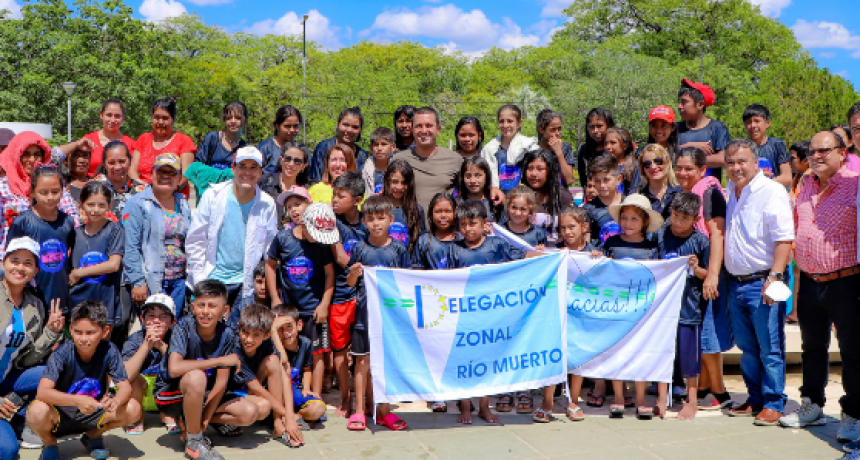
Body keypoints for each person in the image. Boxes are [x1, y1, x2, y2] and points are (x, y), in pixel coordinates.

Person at [785, 131, 860, 441]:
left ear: (842, 153)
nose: (816, 156)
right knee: (812, 347)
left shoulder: (855, 185)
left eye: (824, 151)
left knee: (853, 352)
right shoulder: (803, 186)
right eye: (812, 151)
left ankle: (853, 414)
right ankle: (812, 403)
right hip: (811, 282)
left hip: (846, 282)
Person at [722, 139, 794, 426]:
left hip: (765, 280)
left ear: (755, 162)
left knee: (770, 346)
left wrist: (774, 277)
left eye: (742, 161)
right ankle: (755, 399)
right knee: (748, 348)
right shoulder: (731, 191)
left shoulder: (772, 191)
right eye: (731, 162)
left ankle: (774, 401)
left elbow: (784, 238)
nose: (736, 167)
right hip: (736, 283)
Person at [154, 280, 259, 458]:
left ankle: (194, 424)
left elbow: (221, 384)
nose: (205, 311)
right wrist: (219, 361)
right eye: (201, 305)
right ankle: (194, 442)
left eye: (212, 306)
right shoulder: (183, 327)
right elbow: (174, 368)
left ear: (225, 311)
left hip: (205, 395)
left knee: (254, 411)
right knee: (196, 377)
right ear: (193, 307)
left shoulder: (227, 334)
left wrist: (204, 421)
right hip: (172, 395)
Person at [27, 301, 139, 460]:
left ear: (105, 331)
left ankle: (93, 435)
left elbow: (125, 387)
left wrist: (116, 401)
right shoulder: (62, 352)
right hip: (61, 415)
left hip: (94, 411)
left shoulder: (110, 350)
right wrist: (77, 401)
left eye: (90, 332)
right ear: (71, 330)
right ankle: (49, 443)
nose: (83, 338)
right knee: (36, 411)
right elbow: (43, 392)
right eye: (78, 332)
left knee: (133, 408)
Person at [447, 199, 522, 424]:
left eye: (473, 223)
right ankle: (465, 407)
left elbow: (521, 262)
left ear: (484, 224)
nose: (468, 228)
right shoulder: (454, 249)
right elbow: (446, 281)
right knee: (466, 362)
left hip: (491, 315)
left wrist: (546, 254)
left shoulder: (496, 245)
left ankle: (483, 406)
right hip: (465, 316)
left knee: (487, 361)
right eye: (463, 224)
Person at [345, 195, 413, 431]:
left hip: (390, 320)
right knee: (362, 362)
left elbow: (407, 282)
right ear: (364, 221)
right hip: (364, 317)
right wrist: (354, 273)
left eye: (381, 218)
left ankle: (384, 411)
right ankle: (359, 410)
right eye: (371, 219)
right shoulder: (360, 249)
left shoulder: (398, 249)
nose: (376, 223)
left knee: (385, 366)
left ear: (390, 220)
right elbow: (350, 283)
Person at [673, 147, 733, 411]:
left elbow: (717, 235)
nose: (683, 173)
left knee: (709, 338)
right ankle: (707, 387)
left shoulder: (710, 192)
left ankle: (720, 391)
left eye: (689, 168)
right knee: (701, 337)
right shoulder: (688, 195)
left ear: (701, 170)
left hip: (712, 275)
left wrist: (713, 276)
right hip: (697, 276)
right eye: (679, 167)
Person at [186, 146, 278, 308]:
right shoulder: (212, 196)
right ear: (233, 168)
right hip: (213, 280)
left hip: (246, 285)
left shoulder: (267, 204)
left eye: (253, 168)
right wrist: (200, 279)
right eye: (242, 166)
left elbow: (269, 248)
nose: (247, 173)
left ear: (260, 172)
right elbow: (196, 240)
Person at [0, 237, 64, 460]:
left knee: (57, 370)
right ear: (3, 263)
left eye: (28, 263)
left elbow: (27, 360)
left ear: (36, 270)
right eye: (14, 260)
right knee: (6, 452)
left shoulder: (33, 306)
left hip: (5, 379)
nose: (20, 267)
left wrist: (51, 332)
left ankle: (20, 416)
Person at [266, 203, 336, 397]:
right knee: (284, 347)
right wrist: (274, 298)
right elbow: (270, 266)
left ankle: (316, 394)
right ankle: (284, 392)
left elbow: (330, 273)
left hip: (314, 309)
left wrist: (324, 304)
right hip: (288, 308)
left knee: (317, 352)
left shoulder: (322, 243)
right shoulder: (283, 238)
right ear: (304, 224)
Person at [604, 194, 662, 420]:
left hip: (642, 309)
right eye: (624, 218)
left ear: (645, 222)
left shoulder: (652, 247)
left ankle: (640, 399)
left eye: (634, 219)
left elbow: (659, 274)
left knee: (640, 351)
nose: (628, 223)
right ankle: (618, 397)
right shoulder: (611, 243)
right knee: (617, 352)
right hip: (615, 307)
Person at [656, 192, 710, 420]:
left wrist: (696, 268)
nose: (677, 222)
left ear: (695, 220)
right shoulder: (660, 235)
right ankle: (661, 398)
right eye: (675, 215)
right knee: (661, 352)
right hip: (662, 307)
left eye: (684, 218)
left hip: (689, 307)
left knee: (689, 357)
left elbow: (709, 275)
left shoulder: (701, 241)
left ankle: (692, 400)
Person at [122, 153, 192, 317]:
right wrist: (138, 282)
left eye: (171, 173)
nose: (165, 177)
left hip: (179, 282)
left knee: (173, 331)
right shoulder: (137, 204)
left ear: (179, 178)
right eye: (161, 172)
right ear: (152, 174)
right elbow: (130, 246)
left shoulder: (183, 203)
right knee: (154, 330)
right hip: (150, 281)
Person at [231, 304, 304, 446]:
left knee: (274, 361)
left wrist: (288, 417)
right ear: (239, 327)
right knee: (262, 407)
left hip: (253, 386)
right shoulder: (235, 347)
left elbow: (284, 375)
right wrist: (287, 415)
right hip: (236, 391)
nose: (249, 339)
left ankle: (278, 425)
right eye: (245, 332)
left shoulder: (268, 343)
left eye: (256, 335)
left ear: (266, 335)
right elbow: (256, 388)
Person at [8, 166, 76, 315]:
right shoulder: (22, 223)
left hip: (59, 296)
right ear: (32, 192)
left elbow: (71, 256)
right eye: (43, 192)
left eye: (55, 191)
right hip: (30, 297)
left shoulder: (68, 222)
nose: (50, 197)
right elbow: (11, 260)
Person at [0, 132, 79, 258]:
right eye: (26, 154)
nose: (32, 160)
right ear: (16, 155)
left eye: (37, 154)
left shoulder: (53, 183)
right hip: (11, 262)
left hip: (49, 258)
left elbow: (72, 218)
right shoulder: (3, 188)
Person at [556, 207, 601, 422]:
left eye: (571, 227)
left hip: (582, 315)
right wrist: (539, 252)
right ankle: (549, 401)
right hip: (558, 313)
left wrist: (598, 259)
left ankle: (573, 400)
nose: (567, 232)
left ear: (584, 227)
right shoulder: (554, 251)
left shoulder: (594, 253)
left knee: (579, 359)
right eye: (562, 228)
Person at [329, 171, 366, 418]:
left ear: (357, 199)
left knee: (364, 352)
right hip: (340, 295)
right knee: (340, 351)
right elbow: (342, 259)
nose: (334, 200)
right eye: (333, 194)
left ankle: (368, 399)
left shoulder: (368, 222)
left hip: (365, 295)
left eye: (340, 196)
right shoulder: (332, 223)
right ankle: (345, 398)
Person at [69, 181, 125, 339]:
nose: (95, 210)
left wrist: (80, 273)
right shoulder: (75, 233)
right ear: (81, 204)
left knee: (102, 343)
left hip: (104, 299)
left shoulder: (114, 229)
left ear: (109, 204)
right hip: (79, 299)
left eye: (101, 205)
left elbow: (113, 264)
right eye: (90, 204)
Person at [391, 107, 461, 221]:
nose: (424, 130)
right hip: (407, 231)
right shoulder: (398, 160)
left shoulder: (455, 160)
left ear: (438, 129)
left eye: (429, 126)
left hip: (442, 232)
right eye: (419, 126)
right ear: (412, 130)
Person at [121, 293, 177, 434]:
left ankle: (170, 414)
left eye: (164, 316)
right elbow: (125, 376)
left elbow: (182, 369)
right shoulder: (134, 340)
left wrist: (161, 346)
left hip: (167, 393)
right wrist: (146, 345)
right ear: (143, 319)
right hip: (142, 394)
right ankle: (136, 417)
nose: (157, 321)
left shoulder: (178, 338)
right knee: (133, 380)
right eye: (151, 316)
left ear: (173, 322)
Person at [270, 304, 327, 427]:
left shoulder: (305, 343)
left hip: (295, 391)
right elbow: (283, 361)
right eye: (280, 328)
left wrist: (306, 388)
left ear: (299, 325)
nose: (285, 333)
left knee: (318, 408)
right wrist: (273, 332)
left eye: (289, 327)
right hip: (277, 394)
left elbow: (307, 369)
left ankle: (296, 416)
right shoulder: (272, 346)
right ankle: (288, 416)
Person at [130, 97, 196, 191]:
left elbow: (185, 175)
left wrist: (165, 193)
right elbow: (132, 170)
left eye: (165, 118)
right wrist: (143, 189)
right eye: (156, 117)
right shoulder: (143, 139)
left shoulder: (184, 141)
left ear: (173, 119)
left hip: (172, 195)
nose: (160, 122)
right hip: (144, 193)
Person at [57, 99, 136, 177]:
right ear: (101, 115)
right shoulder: (88, 140)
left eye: (117, 116)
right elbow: (56, 155)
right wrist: (76, 144)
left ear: (123, 117)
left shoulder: (131, 144)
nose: (113, 120)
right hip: (92, 187)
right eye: (109, 115)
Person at [676, 79, 730, 180]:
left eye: (684, 102)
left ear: (700, 105)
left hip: (708, 191)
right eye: (679, 102)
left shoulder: (717, 128)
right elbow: (666, 154)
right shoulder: (675, 128)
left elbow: (723, 158)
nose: (679, 106)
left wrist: (688, 159)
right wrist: (690, 146)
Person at [481, 104, 539, 195]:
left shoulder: (528, 146)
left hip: (524, 198)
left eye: (510, 121)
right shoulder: (490, 149)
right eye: (501, 121)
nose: (505, 125)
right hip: (497, 198)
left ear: (519, 123)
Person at [520, 149, 573, 245]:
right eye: (530, 168)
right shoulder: (520, 197)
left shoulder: (563, 197)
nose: (533, 174)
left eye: (540, 169)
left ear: (550, 171)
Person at [309, 107, 367, 184]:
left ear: (360, 130)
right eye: (345, 125)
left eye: (355, 127)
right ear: (338, 124)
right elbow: (315, 181)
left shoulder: (362, 155)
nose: (349, 130)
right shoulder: (323, 148)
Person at [259, 142, 309, 227]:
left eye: (297, 161)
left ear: (303, 166)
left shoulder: (307, 190)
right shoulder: (265, 182)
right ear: (281, 160)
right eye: (288, 159)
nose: (291, 164)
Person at [92, 141, 146, 218]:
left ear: (130, 161)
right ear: (104, 164)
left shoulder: (142, 190)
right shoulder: (92, 188)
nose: (117, 167)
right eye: (111, 163)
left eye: (122, 161)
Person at [382, 159, 425, 253]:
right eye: (395, 182)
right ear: (387, 181)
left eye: (404, 182)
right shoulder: (379, 207)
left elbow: (420, 243)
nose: (399, 187)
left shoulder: (417, 210)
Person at [743, 104, 791, 186]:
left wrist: (762, 182)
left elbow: (787, 177)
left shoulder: (777, 145)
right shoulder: (742, 148)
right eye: (748, 122)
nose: (753, 125)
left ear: (767, 123)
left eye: (757, 121)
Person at [583, 155, 623, 248]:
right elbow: (586, 243)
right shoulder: (588, 209)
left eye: (606, 180)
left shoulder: (630, 203)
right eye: (597, 181)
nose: (602, 185)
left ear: (618, 179)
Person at [195, 101, 249, 171]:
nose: (233, 121)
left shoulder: (245, 149)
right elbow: (197, 165)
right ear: (224, 120)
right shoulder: (212, 138)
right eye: (229, 118)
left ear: (245, 120)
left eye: (237, 118)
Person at [412, 192, 458, 270]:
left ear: (455, 213)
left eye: (448, 211)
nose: (443, 215)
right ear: (431, 214)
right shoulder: (423, 241)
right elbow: (417, 272)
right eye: (438, 211)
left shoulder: (462, 239)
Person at [638, 144, 682, 219]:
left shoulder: (680, 193)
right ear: (643, 169)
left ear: (667, 163)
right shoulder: (638, 195)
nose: (653, 167)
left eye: (658, 161)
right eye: (647, 164)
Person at [258, 105, 303, 179]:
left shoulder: (299, 150)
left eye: (296, 126)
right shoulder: (265, 148)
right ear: (277, 126)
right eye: (287, 126)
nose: (292, 130)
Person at [576, 107, 615, 188]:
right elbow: (583, 181)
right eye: (591, 127)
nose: (595, 130)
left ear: (609, 126)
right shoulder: (584, 151)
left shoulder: (616, 149)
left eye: (599, 126)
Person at [536, 109, 576, 186]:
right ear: (541, 129)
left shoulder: (566, 148)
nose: (557, 133)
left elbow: (569, 180)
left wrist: (559, 153)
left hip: (560, 194)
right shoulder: (534, 149)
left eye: (559, 128)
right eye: (553, 130)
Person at [501, 185, 547, 250]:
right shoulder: (500, 230)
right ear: (508, 207)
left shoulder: (538, 233)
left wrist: (539, 251)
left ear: (530, 210)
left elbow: (546, 257)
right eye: (514, 207)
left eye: (523, 209)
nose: (518, 213)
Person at [457, 156, 500, 222]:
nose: (473, 181)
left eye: (478, 175)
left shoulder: (495, 202)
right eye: (468, 176)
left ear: (486, 176)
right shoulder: (457, 203)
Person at [604, 127, 639, 195]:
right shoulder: (603, 167)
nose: (607, 146)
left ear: (625, 146)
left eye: (613, 143)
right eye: (606, 143)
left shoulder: (635, 167)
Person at [362, 127, 395, 195]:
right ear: (371, 147)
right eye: (376, 144)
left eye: (384, 144)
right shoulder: (365, 169)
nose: (379, 148)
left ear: (393, 147)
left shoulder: (397, 167)